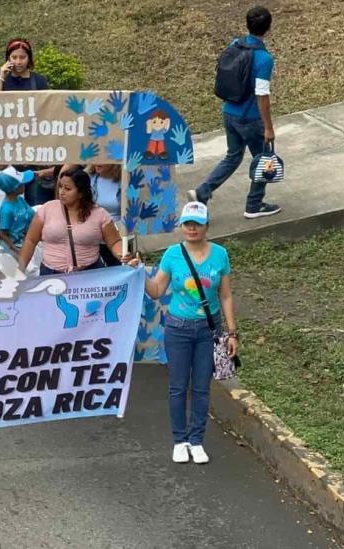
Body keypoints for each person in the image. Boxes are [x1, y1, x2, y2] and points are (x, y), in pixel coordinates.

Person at [133, 201, 239, 464]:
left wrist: (233, 332)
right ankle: (180, 440)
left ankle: (197, 440)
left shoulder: (220, 255)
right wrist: (138, 272)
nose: (192, 228)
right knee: (178, 387)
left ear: (206, 225)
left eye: (197, 223)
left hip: (209, 330)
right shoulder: (172, 254)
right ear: (181, 226)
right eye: (187, 223)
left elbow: (225, 295)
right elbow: (156, 291)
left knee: (202, 387)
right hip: (178, 328)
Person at [189, 6, 280, 219]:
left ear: (247, 25)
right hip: (250, 118)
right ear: (269, 28)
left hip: (229, 112)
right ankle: (254, 205)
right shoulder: (264, 59)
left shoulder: (234, 45)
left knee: (233, 156)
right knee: (263, 160)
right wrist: (268, 126)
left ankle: (202, 192)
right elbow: (262, 95)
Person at [18, 168, 124, 274]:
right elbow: (30, 241)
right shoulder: (46, 209)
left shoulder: (99, 214)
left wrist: (123, 255)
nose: (61, 192)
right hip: (51, 275)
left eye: (67, 189)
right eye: (60, 187)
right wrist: (20, 271)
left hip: (89, 276)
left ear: (81, 193)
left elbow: (114, 242)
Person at [0, 169, 35, 254]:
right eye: (22, 183)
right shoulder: (6, 210)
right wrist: (16, 250)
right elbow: (3, 234)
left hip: (24, 243)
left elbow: (31, 213)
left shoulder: (20, 200)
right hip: (13, 250)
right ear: (15, 188)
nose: (25, 184)